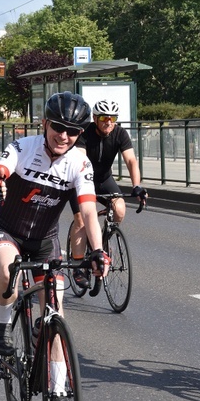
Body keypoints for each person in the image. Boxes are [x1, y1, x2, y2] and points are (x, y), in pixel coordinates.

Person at [0, 91, 110, 401]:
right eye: (57, 127)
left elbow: (90, 212)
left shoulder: (79, 162)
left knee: (55, 313)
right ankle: (2, 325)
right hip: (8, 230)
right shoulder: (24, 148)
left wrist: (97, 251)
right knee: (9, 270)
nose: (63, 135)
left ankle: (60, 390)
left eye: (73, 131)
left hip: (45, 241)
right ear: (44, 123)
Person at [67, 98, 147, 288]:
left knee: (119, 209)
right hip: (81, 179)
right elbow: (81, 160)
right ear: (95, 118)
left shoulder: (120, 133)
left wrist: (137, 185)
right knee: (81, 220)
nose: (108, 122)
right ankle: (78, 264)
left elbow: (131, 161)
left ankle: (102, 239)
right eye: (104, 117)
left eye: (112, 118)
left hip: (103, 180)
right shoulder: (84, 133)